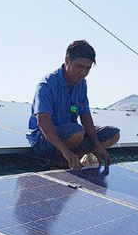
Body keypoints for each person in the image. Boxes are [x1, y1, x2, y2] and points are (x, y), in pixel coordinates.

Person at [27, 40, 120, 170]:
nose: (83, 72)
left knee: (113, 134)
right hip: (44, 140)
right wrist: (65, 150)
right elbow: (43, 122)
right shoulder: (46, 85)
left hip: (72, 135)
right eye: (79, 67)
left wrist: (98, 147)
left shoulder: (81, 84)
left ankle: (71, 158)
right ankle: (60, 159)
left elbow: (85, 116)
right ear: (67, 60)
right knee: (77, 132)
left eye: (87, 69)